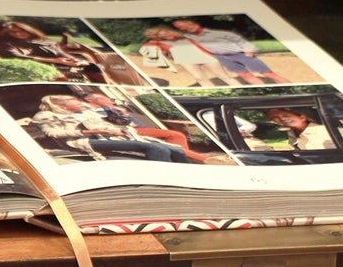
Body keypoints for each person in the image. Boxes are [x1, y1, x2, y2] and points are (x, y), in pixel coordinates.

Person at [21, 92, 193, 164]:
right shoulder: (43, 116)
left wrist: (118, 121)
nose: (82, 104)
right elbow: (53, 133)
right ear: (63, 105)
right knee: (153, 147)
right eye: (77, 102)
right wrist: (89, 131)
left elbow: (111, 124)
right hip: (84, 141)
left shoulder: (87, 113)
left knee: (176, 150)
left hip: (111, 136)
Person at [169, 18, 284, 84]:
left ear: (195, 23)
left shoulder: (216, 32)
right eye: (181, 27)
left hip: (240, 54)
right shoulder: (190, 36)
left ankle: (289, 87)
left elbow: (237, 39)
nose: (186, 28)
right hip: (224, 58)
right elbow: (172, 37)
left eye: (187, 25)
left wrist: (249, 50)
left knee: (268, 74)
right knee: (246, 76)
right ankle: (262, 90)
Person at [264, 106, 336, 152]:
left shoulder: (325, 131)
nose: (282, 119)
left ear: (302, 117)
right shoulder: (290, 133)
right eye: (275, 117)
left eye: (286, 115)